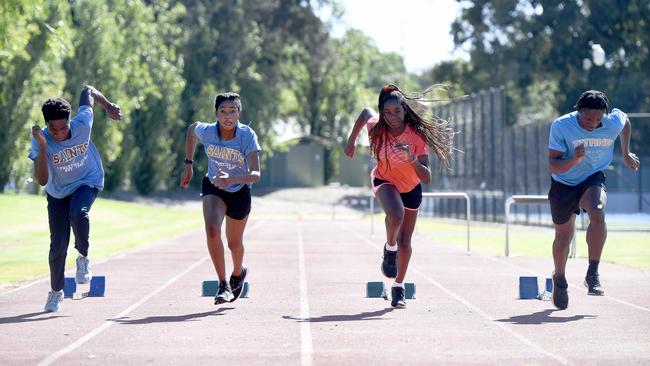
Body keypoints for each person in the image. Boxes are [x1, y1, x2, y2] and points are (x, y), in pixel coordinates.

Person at [345, 84, 454, 308]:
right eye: (388, 112)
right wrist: (352, 140)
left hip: (411, 187)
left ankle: (398, 286)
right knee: (396, 215)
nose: (393, 116)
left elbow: (427, 177)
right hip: (385, 179)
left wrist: (411, 158)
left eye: (397, 111)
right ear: (383, 113)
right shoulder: (377, 128)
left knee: (407, 241)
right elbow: (366, 112)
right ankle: (389, 248)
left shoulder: (416, 137)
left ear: (405, 111)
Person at [29, 85, 122, 312]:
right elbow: (42, 180)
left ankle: (83, 257)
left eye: (63, 128)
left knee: (79, 213)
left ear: (70, 121)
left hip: (87, 180)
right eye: (53, 129)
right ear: (46, 125)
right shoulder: (41, 139)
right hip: (58, 191)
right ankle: (56, 292)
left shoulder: (83, 122)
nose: (59, 134)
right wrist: (42, 145)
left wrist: (108, 106)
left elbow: (87, 90)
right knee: (58, 247)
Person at [548, 90, 640, 310]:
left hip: (592, 177)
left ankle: (592, 273)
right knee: (563, 238)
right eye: (588, 119)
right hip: (564, 182)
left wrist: (626, 153)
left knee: (597, 213)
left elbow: (624, 120)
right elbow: (554, 165)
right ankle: (559, 279)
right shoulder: (561, 126)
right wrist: (574, 159)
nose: (593, 123)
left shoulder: (611, 123)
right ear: (579, 111)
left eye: (598, 119)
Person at [180, 92, 261, 305]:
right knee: (212, 229)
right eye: (223, 112)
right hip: (214, 186)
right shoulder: (207, 132)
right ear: (216, 114)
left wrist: (232, 178)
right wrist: (188, 165)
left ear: (238, 113)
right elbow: (191, 130)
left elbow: (255, 174)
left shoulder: (247, 135)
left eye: (232, 111)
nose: (228, 116)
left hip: (239, 190)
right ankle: (223, 284)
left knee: (235, 245)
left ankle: (238, 273)